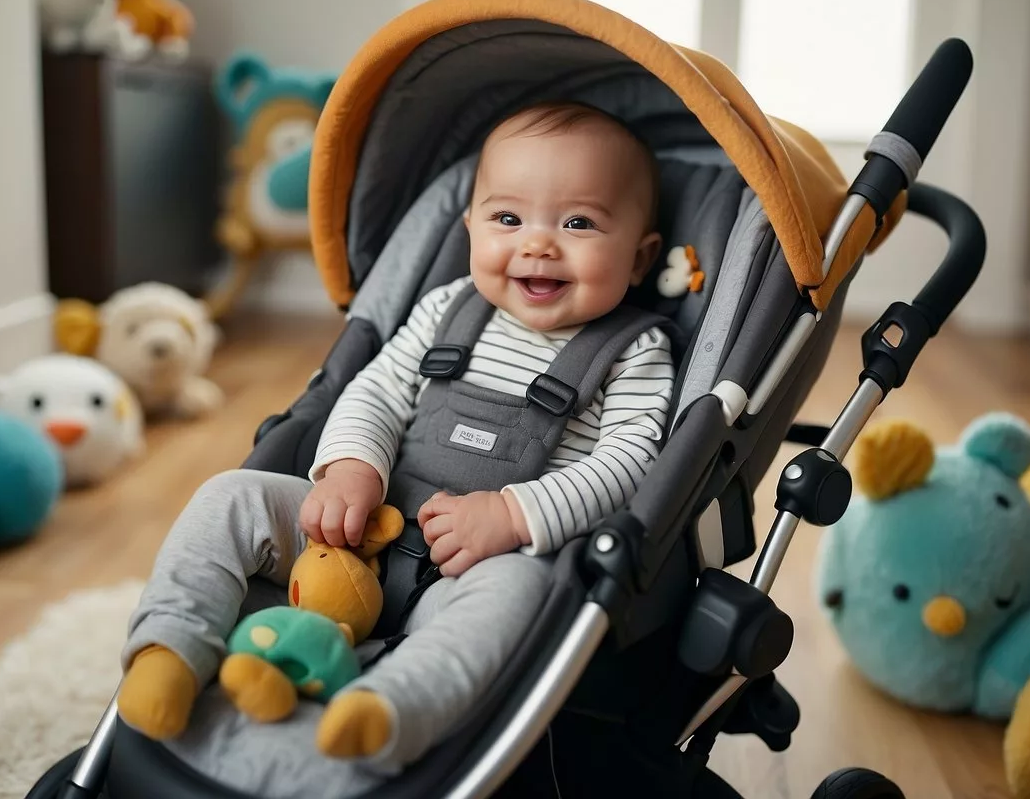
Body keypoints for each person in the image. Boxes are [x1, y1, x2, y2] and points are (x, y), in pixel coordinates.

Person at [115, 100, 677, 779]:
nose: (537, 244)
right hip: (356, 527)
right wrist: (351, 469)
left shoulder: (633, 349)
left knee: (516, 598)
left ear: (640, 255)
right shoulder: (448, 308)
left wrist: (513, 514)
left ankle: (388, 709)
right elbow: (375, 392)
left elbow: (631, 461)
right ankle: (170, 650)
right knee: (229, 494)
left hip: (475, 568)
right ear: (469, 226)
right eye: (507, 219)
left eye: (578, 223)